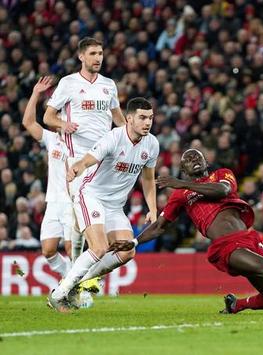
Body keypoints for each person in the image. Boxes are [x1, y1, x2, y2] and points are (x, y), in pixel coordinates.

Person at [109, 149, 263, 315]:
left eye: (197, 156)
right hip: (226, 246)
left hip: (249, 238)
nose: (193, 160)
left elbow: (222, 190)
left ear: (206, 162)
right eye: (188, 159)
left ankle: (236, 305)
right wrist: (135, 242)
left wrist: (181, 184)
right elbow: (160, 226)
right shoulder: (180, 196)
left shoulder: (221, 175)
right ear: (184, 169)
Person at [47, 98, 159, 312]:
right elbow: (91, 157)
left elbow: (148, 179)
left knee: (127, 251)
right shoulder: (114, 138)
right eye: (142, 118)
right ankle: (59, 295)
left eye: (151, 118)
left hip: (115, 206)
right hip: (91, 196)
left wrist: (152, 208)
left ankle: (75, 283)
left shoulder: (152, 144)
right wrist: (78, 166)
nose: (147, 123)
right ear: (129, 119)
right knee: (99, 248)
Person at [43, 37, 126, 265]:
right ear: (81, 56)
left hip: (105, 160)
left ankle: (80, 272)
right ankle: (79, 271)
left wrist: (134, 133)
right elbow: (47, 116)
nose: (98, 58)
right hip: (78, 159)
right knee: (83, 220)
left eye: (100, 53)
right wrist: (63, 125)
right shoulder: (68, 83)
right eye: (93, 54)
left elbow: (117, 118)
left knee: (89, 220)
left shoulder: (109, 85)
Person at [22, 77, 72, 279]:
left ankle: (80, 289)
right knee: (48, 251)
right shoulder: (52, 140)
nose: (56, 119)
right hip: (53, 202)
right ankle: (70, 275)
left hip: (72, 202)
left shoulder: (81, 141)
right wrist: (35, 93)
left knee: (71, 248)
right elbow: (27, 122)